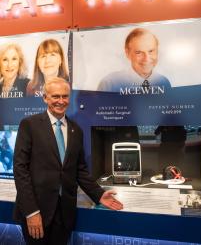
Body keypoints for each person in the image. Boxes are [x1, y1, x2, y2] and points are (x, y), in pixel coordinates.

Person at [13, 77, 123, 245]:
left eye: (65, 96)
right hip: (37, 211)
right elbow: (20, 170)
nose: (61, 101)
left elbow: (79, 169)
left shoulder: (75, 130)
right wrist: (31, 212)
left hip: (64, 213)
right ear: (45, 98)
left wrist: (98, 194)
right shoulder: (29, 125)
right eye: (55, 96)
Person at [97, 28, 171, 92]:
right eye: (138, 52)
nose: (146, 58)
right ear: (127, 53)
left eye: (151, 51)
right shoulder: (109, 84)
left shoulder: (164, 82)